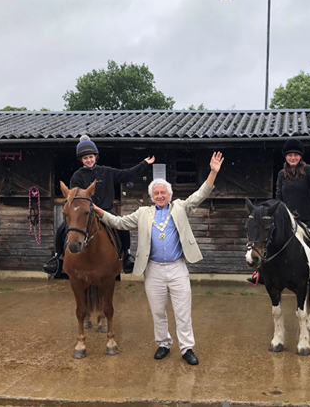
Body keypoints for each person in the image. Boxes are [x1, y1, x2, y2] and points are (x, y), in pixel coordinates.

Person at [94, 152, 224, 366]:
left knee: (183, 311)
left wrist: (212, 172)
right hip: (153, 269)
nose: (160, 196)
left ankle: (186, 348)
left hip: (177, 268)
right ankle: (163, 343)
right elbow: (119, 223)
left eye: (163, 192)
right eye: (156, 193)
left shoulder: (181, 207)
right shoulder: (143, 213)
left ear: (169, 195)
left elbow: (200, 195)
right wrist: (97, 210)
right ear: (151, 196)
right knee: (157, 311)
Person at [44, 135, 154, 277]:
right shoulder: (77, 176)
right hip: (84, 213)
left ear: (96, 156)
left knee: (122, 227)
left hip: (105, 211)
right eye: (85, 158)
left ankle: (126, 255)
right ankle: (57, 259)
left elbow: (128, 174)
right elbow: (74, 199)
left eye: (91, 157)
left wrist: (144, 163)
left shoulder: (106, 171)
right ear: (81, 160)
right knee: (61, 229)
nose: (88, 160)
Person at [247, 138, 310, 295]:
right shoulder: (281, 174)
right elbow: (279, 197)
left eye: (296, 155)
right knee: (267, 238)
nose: (293, 157)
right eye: (290, 155)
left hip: (307, 218)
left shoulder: (308, 170)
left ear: (300, 156)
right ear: (285, 157)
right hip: (287, 219)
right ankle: (262, 273)